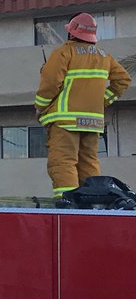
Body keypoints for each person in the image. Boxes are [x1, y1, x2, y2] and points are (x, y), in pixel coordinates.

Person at [35, 12, 130, 198]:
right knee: (89, 163)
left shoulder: (64, 52)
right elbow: (123, 80)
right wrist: (103, 101)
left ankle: (68, 203)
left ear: (71, 32)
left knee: (63, 162)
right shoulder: (104, 56)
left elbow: (50, 83)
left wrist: (40, 106)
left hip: (66, 122)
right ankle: (91, 202)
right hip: (92, 122)